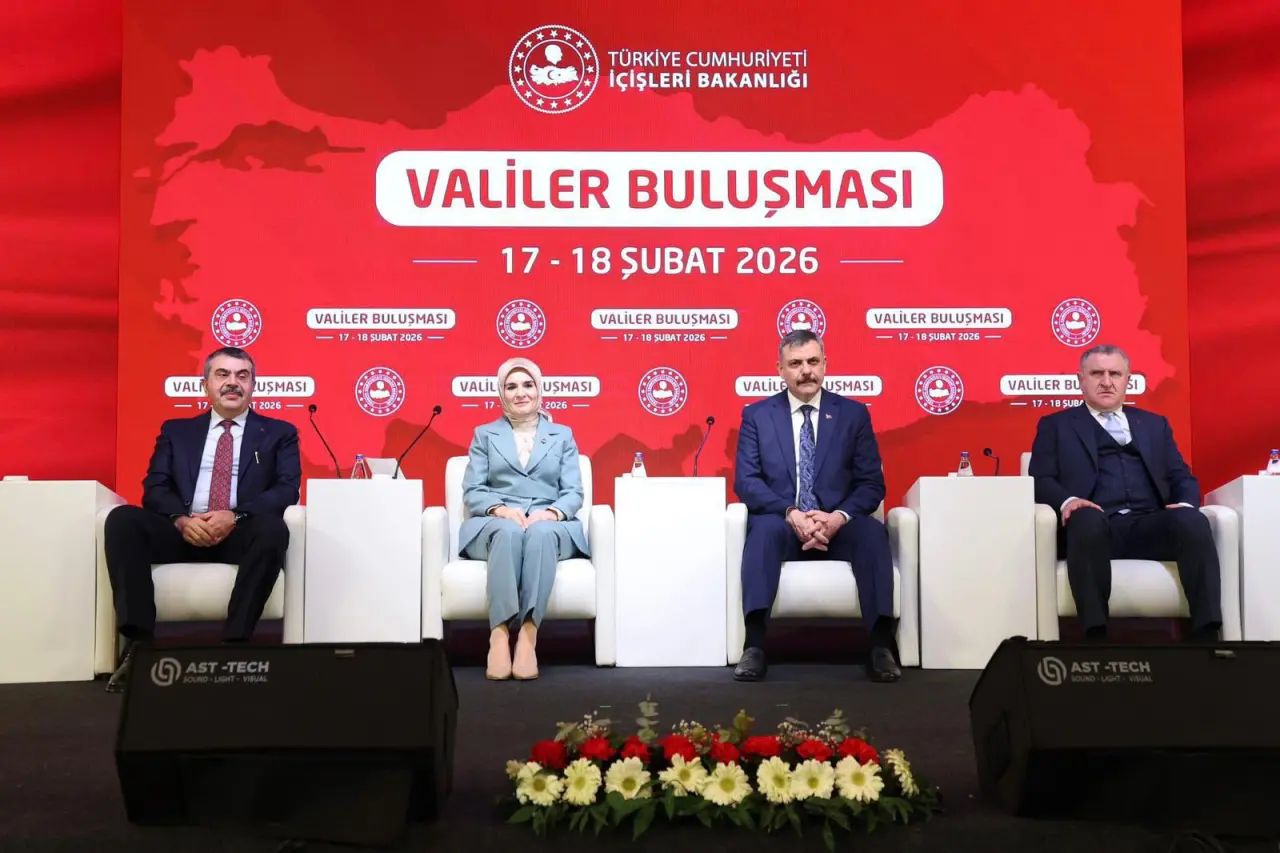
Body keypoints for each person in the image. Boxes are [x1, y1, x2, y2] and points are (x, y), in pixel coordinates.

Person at [102, 347, 301, 692]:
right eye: (222, 374)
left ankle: (235, 645)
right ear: (205, 385)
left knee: (272, 528)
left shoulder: (279, 433)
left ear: (253, 386)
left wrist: (235, 515)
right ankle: (140, 647)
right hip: (182, 530)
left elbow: (286, 489)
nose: (232, 383)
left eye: (242, 375)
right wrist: (180, 519)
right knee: (123, 520)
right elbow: (155, 487)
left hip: (240, 531)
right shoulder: (177, 431)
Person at [732, 330, 900, 683]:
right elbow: (747, 482)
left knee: (872, 533)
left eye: (812, 361)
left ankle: (880, 646)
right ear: (780, 369)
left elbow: (871, 483)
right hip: (784, 521)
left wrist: (837, 517)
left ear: (825, 364)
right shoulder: (757, 416)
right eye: (795, 363)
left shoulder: (853, 414)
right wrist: (790, 512)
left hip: (837, 524)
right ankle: (755, 645)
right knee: (761, 532)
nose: (806, 371)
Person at [1029, 344, 1222, 641]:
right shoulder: (1056, 425)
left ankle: (1208, 637)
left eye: (1115, 374)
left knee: (1192, 520)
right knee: (1085, 518)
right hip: (1094, 528)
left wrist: (1185, 504)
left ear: (1127, 380)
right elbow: (1040, 479)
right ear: (1081, 379)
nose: (1107, 382)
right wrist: (1069, 501)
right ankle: (1095, 636)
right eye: (1097, 373)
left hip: (1148, 524)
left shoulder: (1155, 425)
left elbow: (1180, 475)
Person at [459, 357, 588, 681]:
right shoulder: (484, 434)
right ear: (501, 393)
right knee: (509, 532)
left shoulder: (562, 435)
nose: (520, 393)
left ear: (539, 389)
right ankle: (499, 635)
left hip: (549, 522)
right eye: (511, 386)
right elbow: (473, 489)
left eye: (528, 385)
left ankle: (528, 637)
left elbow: (573, 491)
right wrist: (501, 510)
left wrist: (551, 512)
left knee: (541, 533)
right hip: (495, 521)